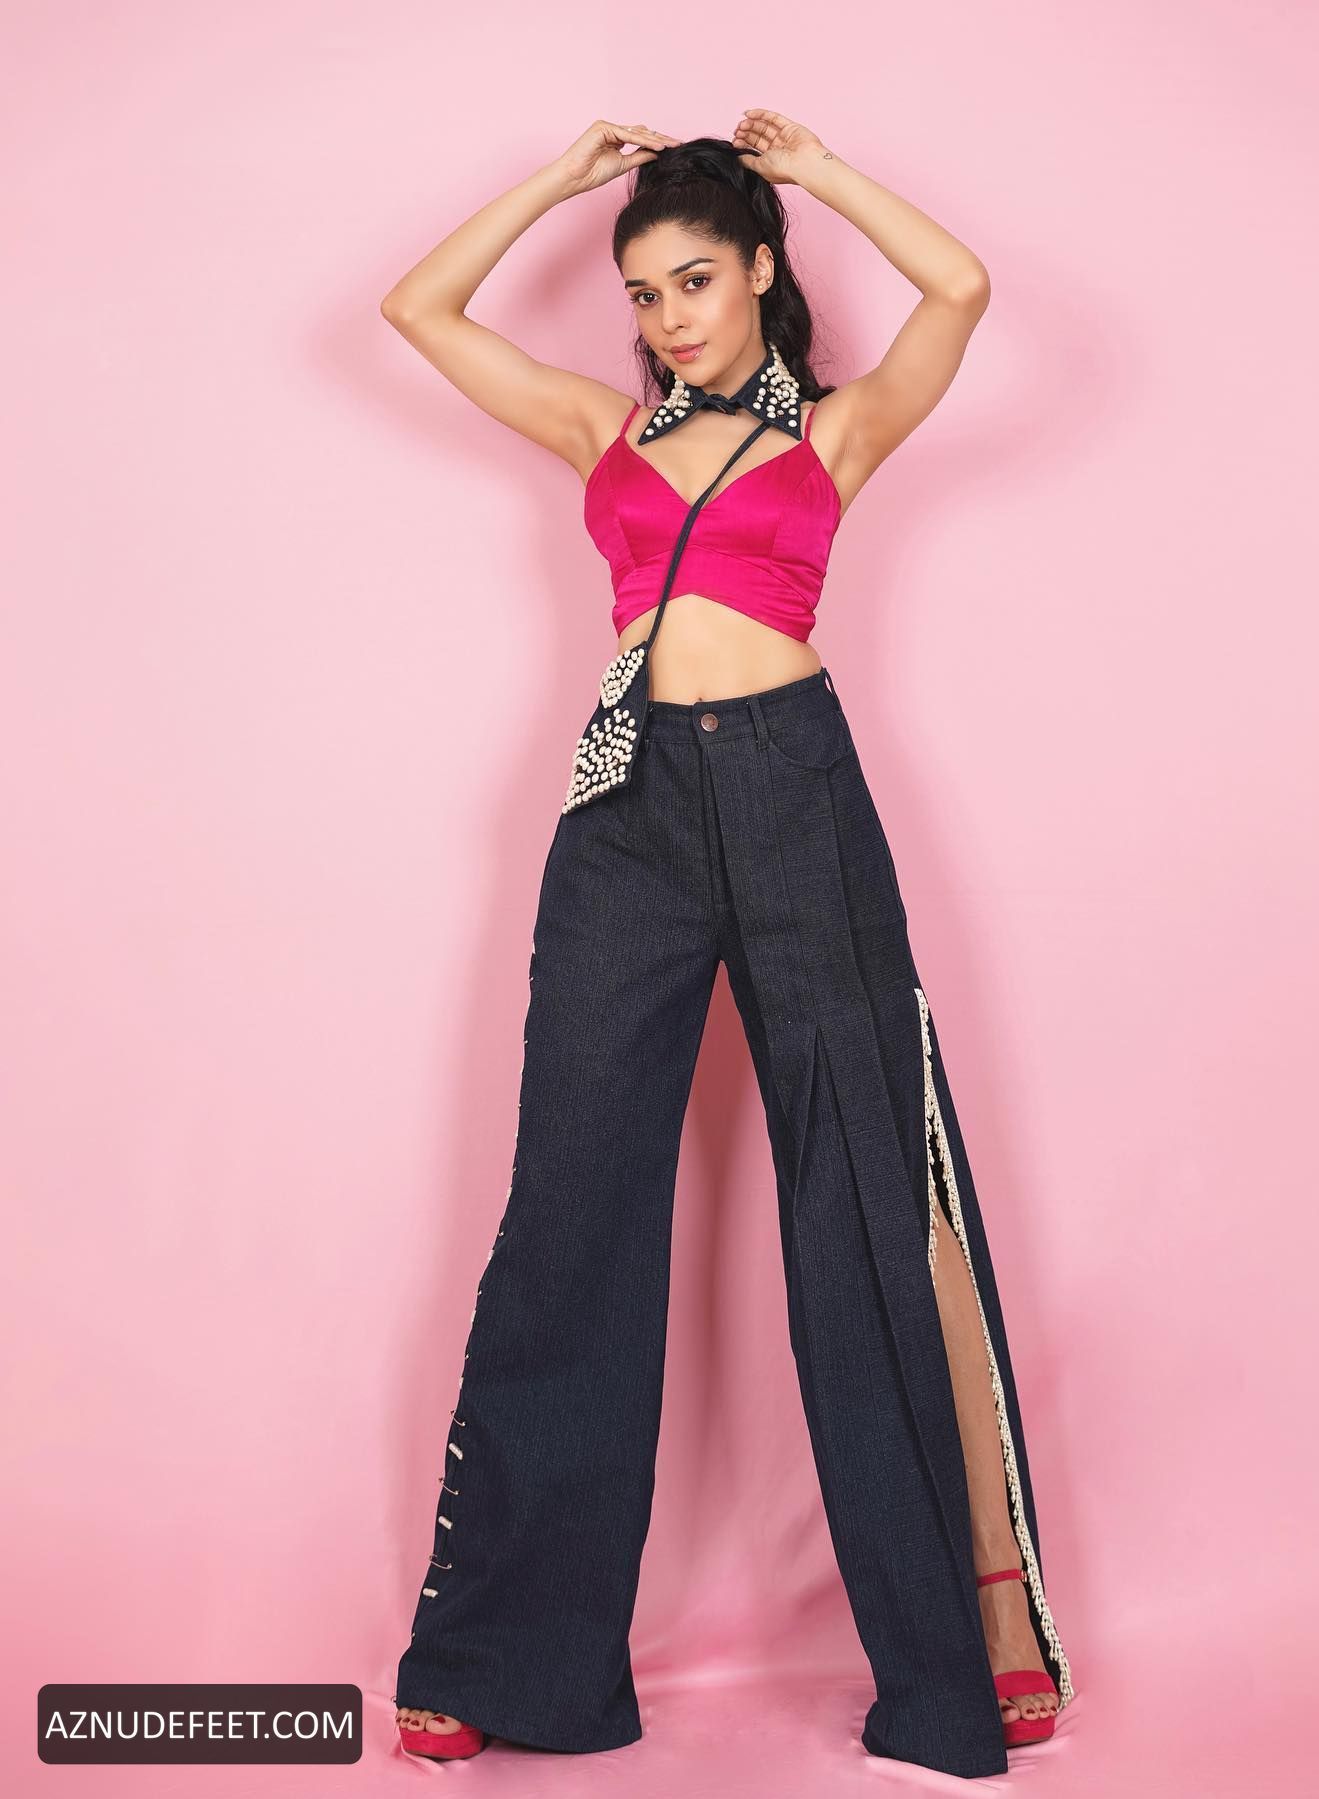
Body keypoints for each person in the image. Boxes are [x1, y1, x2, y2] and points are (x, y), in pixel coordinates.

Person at [380, 111, 1075, 1781]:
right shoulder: (602, 429)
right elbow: (417, 310)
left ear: (761, 270)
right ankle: (508, 1665)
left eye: (696, 278)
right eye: (644, 292)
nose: (669, 315)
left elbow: (963, 290)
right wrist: (559, 184)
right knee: (571, 1207)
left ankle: (957, 1661)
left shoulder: (834, 434)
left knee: (864, 1196)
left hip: (791, 791)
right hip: (625, 817)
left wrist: (817, 176)